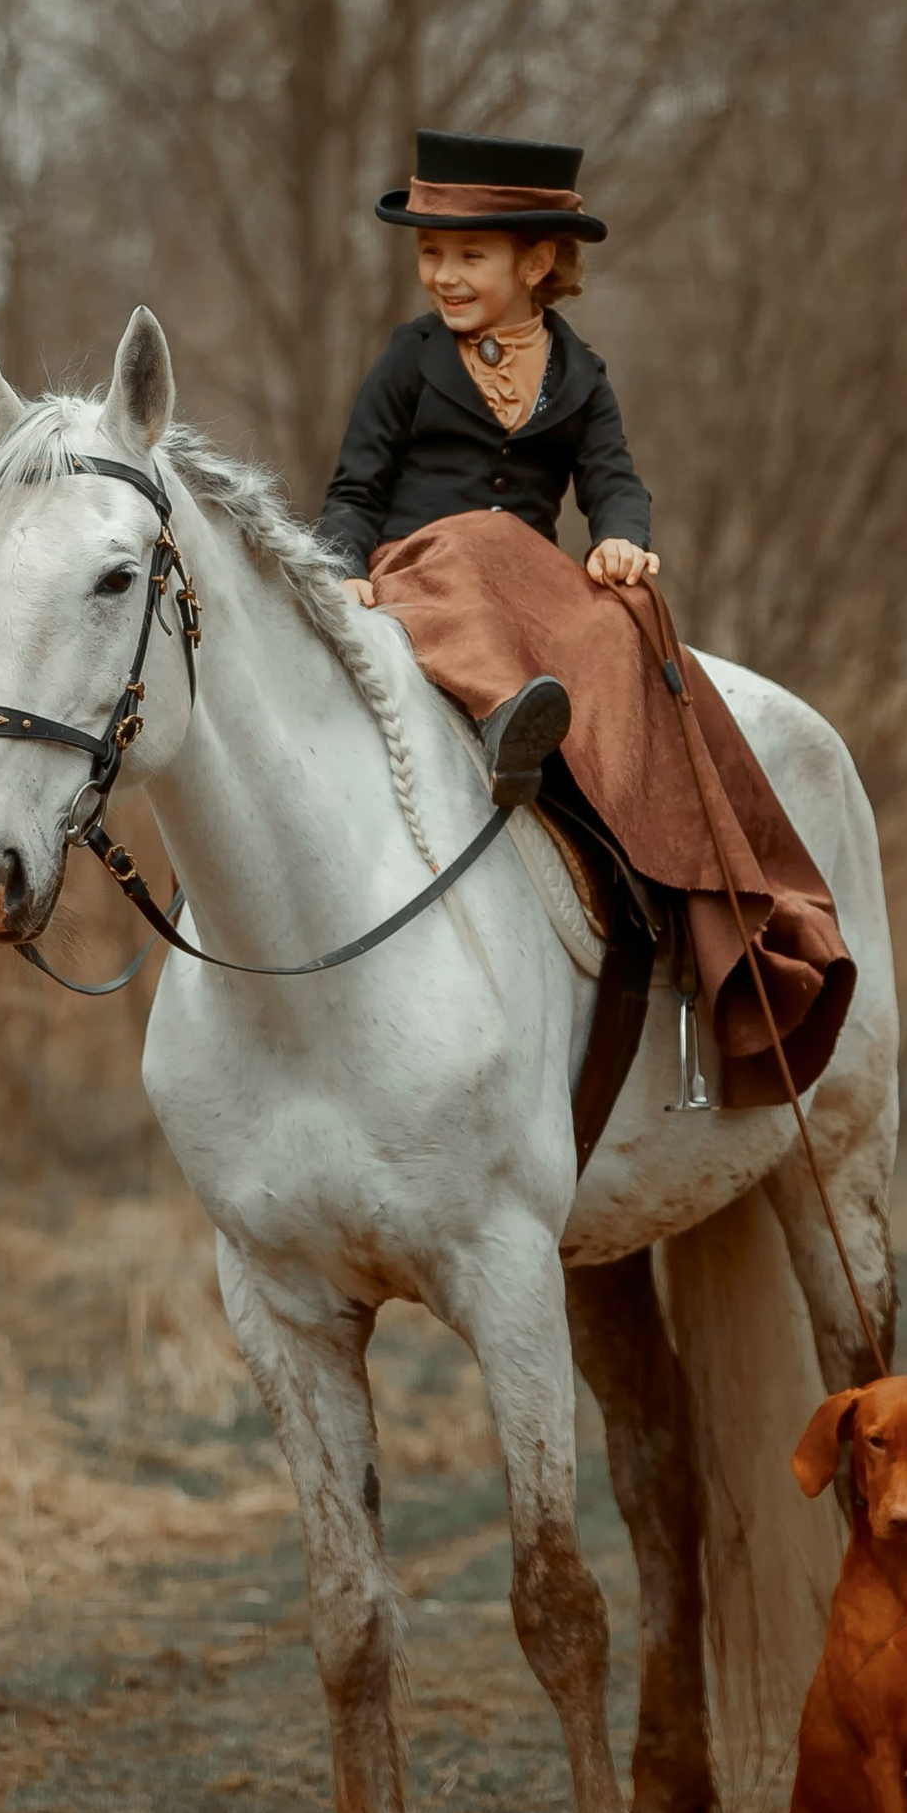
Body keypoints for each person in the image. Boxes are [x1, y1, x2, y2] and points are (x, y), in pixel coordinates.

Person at [317, 131, 855, 1105]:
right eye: (431, 253)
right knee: (469, 551)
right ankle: (507, 724)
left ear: (535, 262)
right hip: (423, 572)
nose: (443, 275)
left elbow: (615, 481)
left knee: (619, 623)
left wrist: (618, 538)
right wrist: (342, 567)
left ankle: (668, 865)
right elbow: (355, 488)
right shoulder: (409, 359)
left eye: (468, 255)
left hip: (526, 583)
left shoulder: (580, 375)